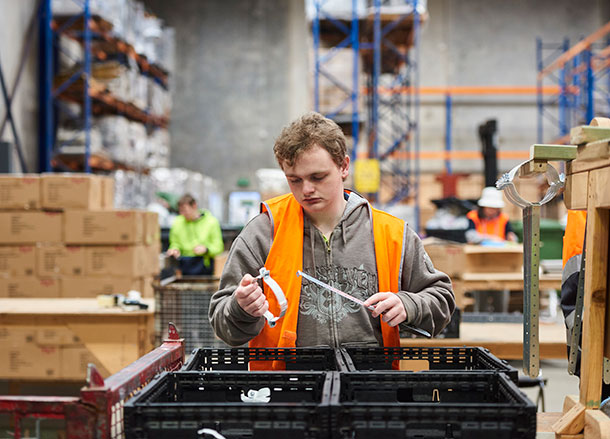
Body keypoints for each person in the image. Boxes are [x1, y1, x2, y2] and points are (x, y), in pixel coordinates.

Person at [209, 112, 455, 366]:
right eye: (294, 180)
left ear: (344, 167)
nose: (306, 190)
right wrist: (241, 309)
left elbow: (442, 301)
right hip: (287, 391)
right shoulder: (263, 232)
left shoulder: (391, 234)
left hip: (370, 388)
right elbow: (223, 324)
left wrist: (408, 304)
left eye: (318, 177)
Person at [167, 194, 224, 275]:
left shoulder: (211, 222)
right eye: (180, 211)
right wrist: (174, 249)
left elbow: (218, 247)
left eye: (185, 210)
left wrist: (206, 249)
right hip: (183, 265)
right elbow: (174, 242)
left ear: (194, 206)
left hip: (204, 265)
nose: (182, 213)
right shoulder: (177, 222)